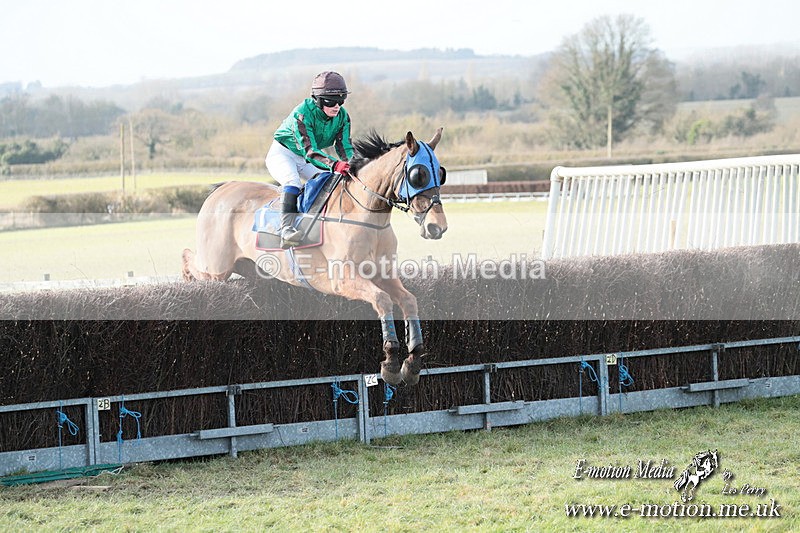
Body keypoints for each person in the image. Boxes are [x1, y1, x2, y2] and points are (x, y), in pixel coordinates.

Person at [265, 71, 354, 248]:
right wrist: (335, 164)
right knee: (293, 182)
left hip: (307, 158)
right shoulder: (302, 114)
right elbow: (310, 151)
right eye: (331, 101)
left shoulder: (343, 116)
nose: (337, 106)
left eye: (341, 100)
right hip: (283, 154)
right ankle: (286, 229)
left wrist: (355, 164)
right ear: (318, 100)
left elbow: (344, 147)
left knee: (329, 182)